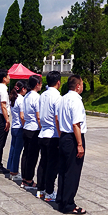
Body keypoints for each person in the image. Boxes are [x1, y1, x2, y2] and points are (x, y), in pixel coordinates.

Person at [56, 74, 87, 215]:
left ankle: (61, 200)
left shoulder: (62, 99)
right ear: (78, 86)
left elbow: (57, 119)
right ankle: (69, 204)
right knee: (72, 172)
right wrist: (79, 144)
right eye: (82, 84)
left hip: (63, 136)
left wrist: (60, 135)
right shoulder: (76, 100)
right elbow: (76, 123)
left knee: (63, 171)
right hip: (73, 138)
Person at [37, 71, 62, 201]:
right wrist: (61, 135)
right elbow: (57, 118)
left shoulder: (43, 95)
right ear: (58, 82)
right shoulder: (57, 97)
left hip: (42, 133)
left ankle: (40, 190)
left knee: (43, 163)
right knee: (53, 166)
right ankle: (49, 192)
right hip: (53, 135)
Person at [21, 74, 42, 190]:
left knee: (25, 154)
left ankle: (24, 177)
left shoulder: (27, 96)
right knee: (33, 156)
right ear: (37, 84)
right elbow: (38, 116)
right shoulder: (36, 97)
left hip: (26, 127)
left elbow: (23, 114)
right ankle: (29, 179)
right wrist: (41, 128)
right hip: (34, 129)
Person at [6, 81, 27, 180]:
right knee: (17, 151)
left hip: (14, 126)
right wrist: (24, 125)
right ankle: (14, 172)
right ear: (22, 89)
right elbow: (22, 115)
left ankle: (10, 168)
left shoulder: (13, 98)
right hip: (19, 127)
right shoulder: (21, 99)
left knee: (12, 149)